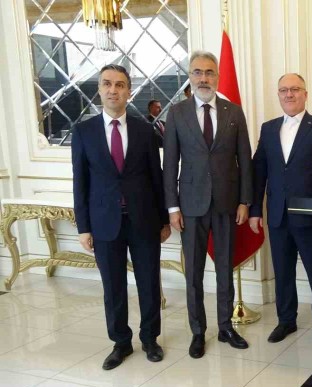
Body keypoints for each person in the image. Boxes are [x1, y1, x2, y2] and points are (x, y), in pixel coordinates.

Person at [72, 64, 171, 370]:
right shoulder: (84, 132)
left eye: (119, 85)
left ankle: (150, 339)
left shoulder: (144, 130)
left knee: (148, 283)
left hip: (143, 220)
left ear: (129, 91)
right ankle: (121, 342)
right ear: (99, 90)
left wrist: (164, 219)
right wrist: (84, 227)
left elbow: (156, 177)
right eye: (107, 84)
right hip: (104, 223)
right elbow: (80, 182)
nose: (113, 90)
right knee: (113, 286)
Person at [163, 50, 253, 358]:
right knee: (194, 274)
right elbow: (170, 164)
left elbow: (245, 160)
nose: (204, 78)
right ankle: (198, 332)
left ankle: (226, 327)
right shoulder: (177, 113)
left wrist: (245, 201)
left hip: (227, 203)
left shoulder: (234, 112)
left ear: (217, 76)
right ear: (190, 76)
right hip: (190, 206)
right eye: (198, 72)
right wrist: (172, 207)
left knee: (225, 268)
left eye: (209, 72)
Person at [250, 73, 312, 346]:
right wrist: (255, 210)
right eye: (283, 90)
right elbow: (259, 172)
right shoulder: (268, 129)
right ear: (278, 94)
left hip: (311, 217)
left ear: (305, 94)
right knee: (283, 271)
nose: (289, 94)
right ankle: (286, 320)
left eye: (295, 89)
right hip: (277, 215)